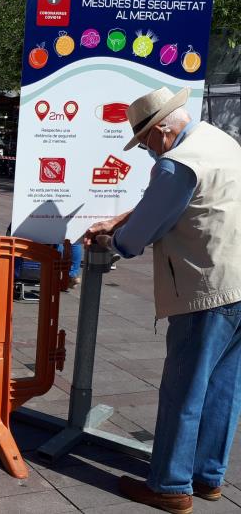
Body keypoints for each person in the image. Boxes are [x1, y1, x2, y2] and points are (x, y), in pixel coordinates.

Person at [84, 87, 241, 514]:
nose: (146, 152)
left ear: (162, 131)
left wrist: (109, 236)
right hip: (238, 281)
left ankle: (171, 485)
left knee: (183, 391)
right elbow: (169, 206)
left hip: (205, 288)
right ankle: (208, 477)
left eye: (145, 142)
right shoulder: (218, 139)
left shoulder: (176, 163)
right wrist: (121, 216)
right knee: (224, 388)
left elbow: (135, 241)